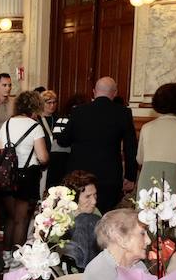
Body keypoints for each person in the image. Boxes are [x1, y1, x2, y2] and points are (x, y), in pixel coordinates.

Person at [59, 77, 138, 212]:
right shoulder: (123, 113)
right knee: (104, 215)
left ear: (94, 92)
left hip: (79, 175)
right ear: (114, 93)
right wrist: (130, 176)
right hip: (109, 175)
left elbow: (63, 141)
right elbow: (130, 147)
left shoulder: (78, 111)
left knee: (77, 215)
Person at [0, 90, 50, 248]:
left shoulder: (6, 124)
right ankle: (16, 258)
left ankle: (5, 255)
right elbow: (43, 157)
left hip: (6, 175)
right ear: (35, 107)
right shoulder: (35, 127)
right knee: (22, 219)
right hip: (26, 176)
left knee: (11, 218)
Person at [136, 82, 176, 198]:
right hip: (175, 178)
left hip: (148, 177)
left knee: (145, 212)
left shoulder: (146, 127)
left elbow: (140, 159)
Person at [59, 170, 102, 269]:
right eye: (88, 196)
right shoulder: (62, 214)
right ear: (74, 198)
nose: (94, 201)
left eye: (95, 195)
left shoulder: (95, 212)